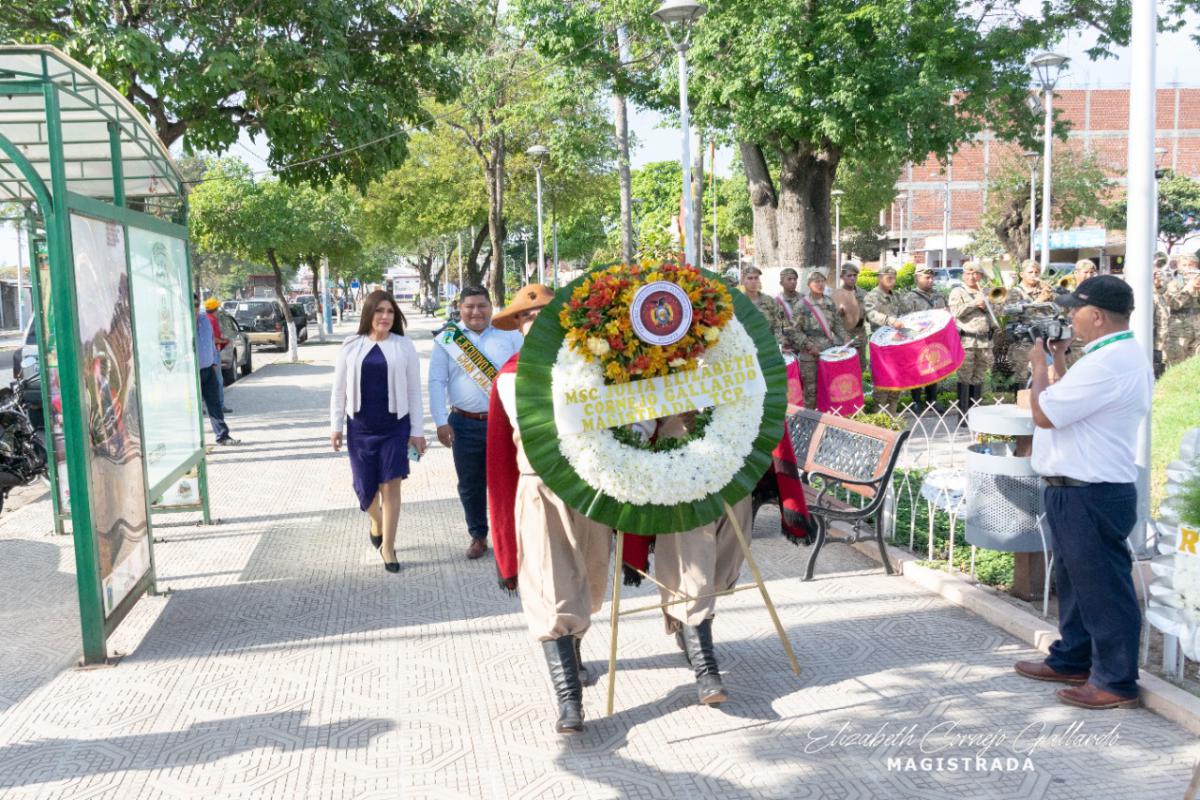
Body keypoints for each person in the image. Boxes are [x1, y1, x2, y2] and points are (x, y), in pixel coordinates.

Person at [1016, 275, 1151, 710]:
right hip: (1079, 489)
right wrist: (1058, 363)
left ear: (1096, 316)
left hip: (1089, 492)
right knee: (1075, 583)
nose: (1069, 317)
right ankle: (1073, 657)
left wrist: (1038, 366)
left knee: (1103, 589)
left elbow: (1044, 414)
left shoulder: (1108, 362)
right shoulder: (1111, 356)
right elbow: (1073, 404)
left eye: (1075, 309)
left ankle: (1115, 680)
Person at [486, 284, 615, 734]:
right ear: (517, 327)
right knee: (551, 588)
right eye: (525, 317)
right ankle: (568, 700)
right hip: (540, 489)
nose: (534, 322)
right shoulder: (510, 378)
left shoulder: (592, 365)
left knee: (592, 579)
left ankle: (576, 648)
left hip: (590, 488)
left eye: (543, 314)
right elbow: (540, 426)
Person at [330, 290, 427, 572]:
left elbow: (413, 391)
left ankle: (388, 547)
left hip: (395, 426)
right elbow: (339, 391)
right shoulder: (351, 346)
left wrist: (417, 431)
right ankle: (377, 521)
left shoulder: (403, 346)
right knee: (363, 489)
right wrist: (335, 426)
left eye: (390, 312)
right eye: (379, 311)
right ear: (369, 314)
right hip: (359, 427)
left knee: (391, 485)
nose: (385, 317)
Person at [429, 286, 523, 559]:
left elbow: (525, 372)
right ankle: (478, 535)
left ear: (491, 306)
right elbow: (437, 381)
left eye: (481, 306)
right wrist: (439, 422)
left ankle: (513, 535)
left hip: (505, 422)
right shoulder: (448, 339)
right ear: (460, 308)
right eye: (469, 306)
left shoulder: (510, 335)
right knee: (470, 484)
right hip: (464, 423)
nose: (475, 312)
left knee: (508, 480)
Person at [787, 270, 849, 409]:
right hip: (810, 355)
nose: (820, 284)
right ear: (809, 284)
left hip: (828, 353)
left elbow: (837, 324)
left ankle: (828, 421)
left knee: (829, 387)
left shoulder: (829, 302)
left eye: (822, 281)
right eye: (816, 281)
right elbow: (794, 331)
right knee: (811, 391)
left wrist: (844, 336)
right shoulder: (802, 305)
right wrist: (808, 346)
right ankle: (809, 423)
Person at [948, 262, 996, 416]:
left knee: (979, 377)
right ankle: (963, 416)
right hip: (966, 341)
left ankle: (975, 414)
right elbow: (956, 312)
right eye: (967, 273)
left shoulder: (987, 292)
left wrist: (987, 307)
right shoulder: (958, 291)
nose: (971, 277)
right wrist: (975, 303)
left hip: (984, 341)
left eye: (975, 273)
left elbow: (997, 314)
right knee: (965, 377)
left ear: (980, 276)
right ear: (963, 275)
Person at [901, 265, 948, 411]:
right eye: (927, 277)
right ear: (917, 279)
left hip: (936, 341)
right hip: (917, 340)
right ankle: (916, 401)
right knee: (917, 370)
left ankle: (932, 400)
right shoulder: (910, 297)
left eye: (932, 277)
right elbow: (906, 319)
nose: (930, 280)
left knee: (934, 370)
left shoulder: (939, 296)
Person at [195, 296, 239, 447]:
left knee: (215, 405)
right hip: (193, 373)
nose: (195, 308)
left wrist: (214, 361)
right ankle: (193, 444)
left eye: (197, 304)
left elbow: (211, 341)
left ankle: (223, 436)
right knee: (193, 408)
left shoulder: (204, 320)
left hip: (208, 368)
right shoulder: (182, 323)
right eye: (192, 304)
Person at [1005, 260, 1056, 388]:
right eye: (1030, 272)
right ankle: (1020, 403)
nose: (1034, 275)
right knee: (1021, 377)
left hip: (1043, 338)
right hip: (1023, 339)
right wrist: (1039, 300)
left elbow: (1056, 309)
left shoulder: (1043, 290)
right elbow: (1013, 312)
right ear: (1022, 274)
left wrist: (1052, 295)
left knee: (1047, 373)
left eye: (1036, 272)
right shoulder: (1015, 292)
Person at [863, 266, 906, 415]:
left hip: (897, 345)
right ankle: (879, 423)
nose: (892, 281)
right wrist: (890, 320)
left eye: (894, 278)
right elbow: (871, 314)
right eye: (889, 278)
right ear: (879, 278)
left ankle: (892, 419)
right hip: (881, 347)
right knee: (882, 387)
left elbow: (906, 313)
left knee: (896, 386)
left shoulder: (897, 296)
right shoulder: (871, 296)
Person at [1063, 259, 1099, 367]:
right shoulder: (1067, 294)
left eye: (1091, 272)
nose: (1089, 276)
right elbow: (1061, 319)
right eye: (1085, 272)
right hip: (1074, 345)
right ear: (1076, 273)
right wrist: (1064, 345)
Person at [1164, 257, 1200, 367]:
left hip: (1197, 329)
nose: (1188, 268)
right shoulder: (1173, 282)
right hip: (1179, 330)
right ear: (1178, 266)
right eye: (1184, 265)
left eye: (1192, 265)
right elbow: (1174, 304)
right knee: (1177, 363)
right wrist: (1189, 288)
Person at [740, 266, 786, 349]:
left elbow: (778, 325)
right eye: (750, 278)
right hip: (744, 349)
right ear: (743, 281)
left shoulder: (769, 301)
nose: (753, 281)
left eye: (756, 278)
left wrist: (777, 344)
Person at [833, 263, 868, 365]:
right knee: (843, 369)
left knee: (860, 368)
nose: (852, 278)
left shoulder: (864, 294)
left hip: (859, 337)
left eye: (855, 275)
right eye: (849, 276)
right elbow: (831, 320)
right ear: (842, 277)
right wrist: (838, 313)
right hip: (842, 340)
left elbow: (869, 314)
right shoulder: (835, 295)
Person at [203, 297, 232, 413]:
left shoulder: (204, 318)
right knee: (218, 381)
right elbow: (213, 339)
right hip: (214, 353)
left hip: (206, 354)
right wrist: (224, 340)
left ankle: (206, 405)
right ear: (215, 309)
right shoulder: (212, 320)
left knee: (206, 381)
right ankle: (220, 405)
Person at [774, 267, 803, 353]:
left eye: (795, 279)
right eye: (789, 279)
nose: (793, 282)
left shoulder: (805, 299)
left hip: (805, 345)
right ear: (781, 283)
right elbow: (774, 327)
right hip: (788, 346)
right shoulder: (776, 302)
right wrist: (781, 341)